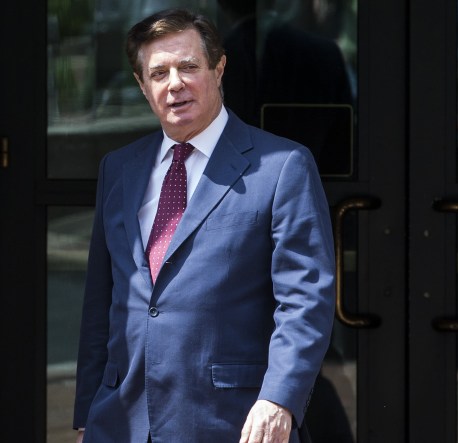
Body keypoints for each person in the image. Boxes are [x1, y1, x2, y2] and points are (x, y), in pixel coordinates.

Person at [72, 9, 336, 443]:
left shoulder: (281, 166)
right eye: (158, 73)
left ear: (219, 68)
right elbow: (101, 303)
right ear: (142, 86)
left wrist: (280, 399)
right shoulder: (118, 169)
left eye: (189, 66)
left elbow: (306, 300)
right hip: (120, 421)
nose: (174, 83)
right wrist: (87, 412)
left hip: (231, 421)